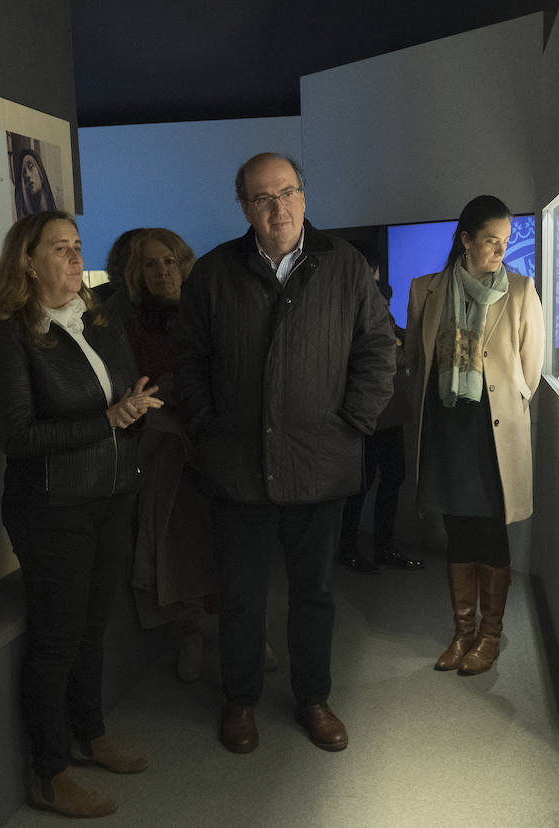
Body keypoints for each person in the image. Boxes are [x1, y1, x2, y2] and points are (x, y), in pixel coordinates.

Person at [174, 152, 394, 755]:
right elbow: (187, 360)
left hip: (319, 466)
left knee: (315, 593)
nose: (278, 208)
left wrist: (353, 423)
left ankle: (313, 699)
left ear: (304, 196)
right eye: (263, 198)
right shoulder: (214, 272)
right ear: (244, 206)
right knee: (241, 594)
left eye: (287, 193)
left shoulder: (345, 266)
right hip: (238, 467)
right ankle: (240, 701)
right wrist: (206, 425)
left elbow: (378, 351)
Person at [0, 210, 159, 818]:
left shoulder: (98, 322)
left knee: (92, 627)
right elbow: (18, 436)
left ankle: (90, 733)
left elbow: (124, 396)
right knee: (56, 640)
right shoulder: (8, 334)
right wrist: (108, 419)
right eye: (60, 247)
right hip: (52, 509)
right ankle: (49, 772)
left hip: (110, 498)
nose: (75, 256)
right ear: (26, 261)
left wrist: (132, 411)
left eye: (77, 245)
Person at [408, 195, 544, 676]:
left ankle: (489, 636)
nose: (499, 251)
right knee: (457, 531)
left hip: (492, 435)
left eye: (505, 242)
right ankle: (462, 633)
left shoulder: (522, 291)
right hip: (446, 430)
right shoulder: (426, 290)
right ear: (465, 240)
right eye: (491, 241)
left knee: (491, 531)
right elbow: (415, 363)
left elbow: (529, 372)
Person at [120, 228, 216, 682]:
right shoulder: (130, 324)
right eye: (150, 264)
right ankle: (190, 630)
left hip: (214, 440)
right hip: (163, 444)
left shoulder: (211, 311)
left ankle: (244, 629)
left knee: (231, 539)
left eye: (169, 262)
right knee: (178, 539)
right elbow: (132, 385)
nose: (161, 272)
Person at [338, 249, 422, 573]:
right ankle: (352, 548)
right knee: (363, 483)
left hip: (387, 415)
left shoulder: (372, 303)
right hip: (368, 414)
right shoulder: (357, 304)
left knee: (387, 478)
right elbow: (381, 354)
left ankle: (378, 547)